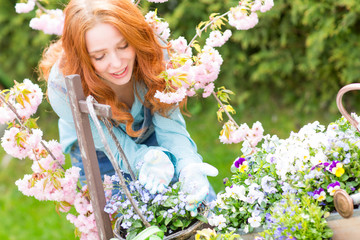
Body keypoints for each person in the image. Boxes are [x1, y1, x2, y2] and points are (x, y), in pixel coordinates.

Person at [39, 0, 218, 215]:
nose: (116, 63)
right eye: (99, 56)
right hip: (101, 152)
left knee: (203, 209)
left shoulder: (156, 51)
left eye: (123, 45)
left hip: (148, 128)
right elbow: (113, 146)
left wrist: (187, 164)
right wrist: (143, 160)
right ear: (83, 56)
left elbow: (170, 127)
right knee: (135, 222)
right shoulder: (63, 87)